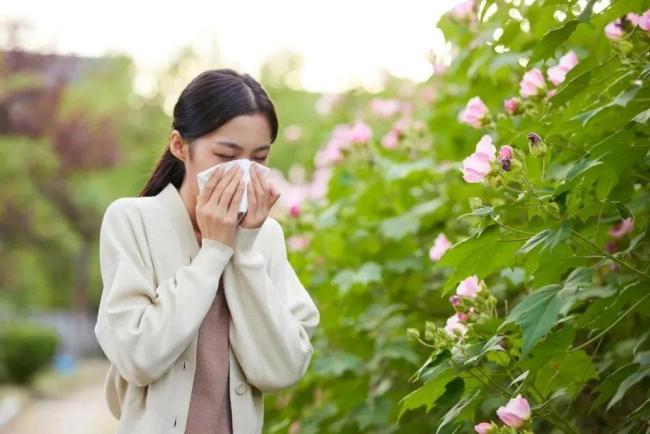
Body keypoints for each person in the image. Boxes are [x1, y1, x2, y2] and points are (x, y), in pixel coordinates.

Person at [94, 68, 320, 434]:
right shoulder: (132, 221)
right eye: (226, 155)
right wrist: (214, 251)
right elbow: (138, 357)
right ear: (180, 146)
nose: (242, 172)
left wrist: (243, 251)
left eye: (258, 159)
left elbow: (284, 368)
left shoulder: (266, 237)